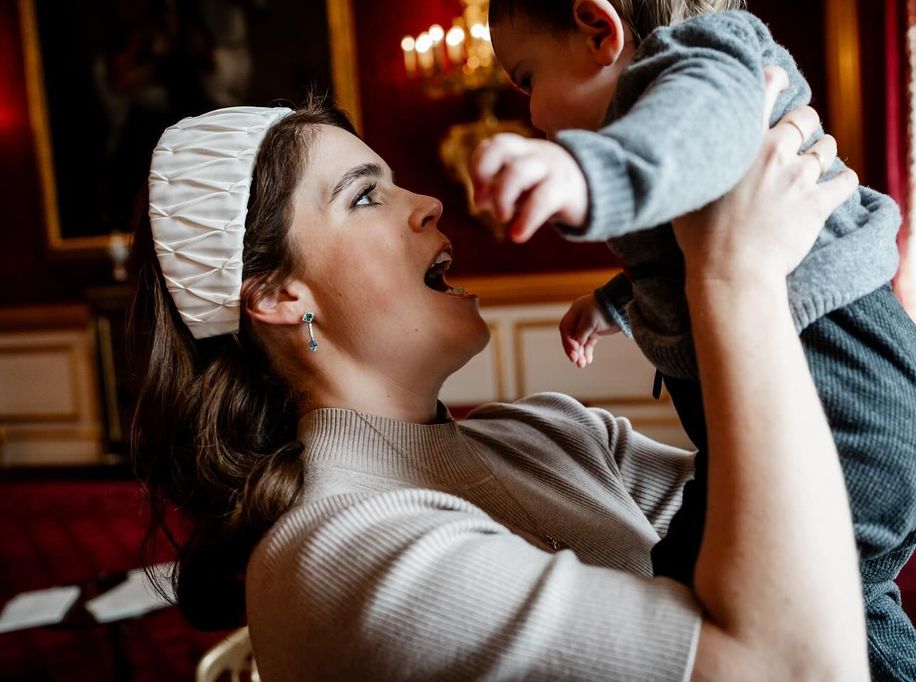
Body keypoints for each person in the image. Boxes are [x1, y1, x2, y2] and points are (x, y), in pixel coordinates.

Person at [131, 85, 866, 679]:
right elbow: (797, 665)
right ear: (279, 297)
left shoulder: (559, 432)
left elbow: (838, 536)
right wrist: (735, 277)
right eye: (363, 196)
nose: (428, 201)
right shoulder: (338, 552)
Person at [469, 1, 916, 677]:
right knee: (850, 607)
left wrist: (587, 175)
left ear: (598, 29)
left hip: (854, 418)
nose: (533, 114)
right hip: (886, 415)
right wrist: (614, 302)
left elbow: (703, 130)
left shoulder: (707, 58)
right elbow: (684, 254)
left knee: (690, 583)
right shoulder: (669, 115)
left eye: (528, 78)